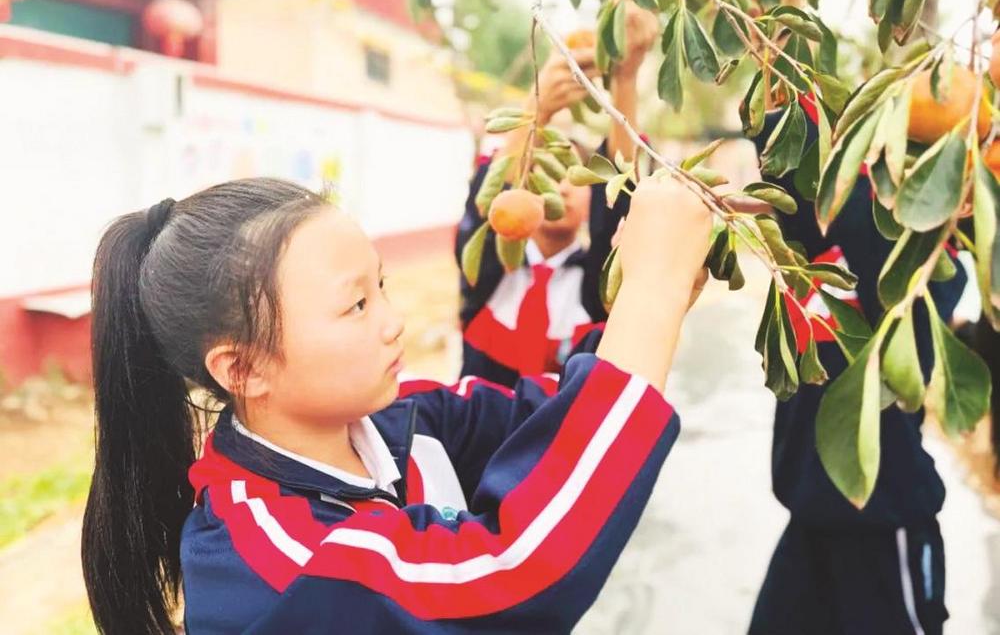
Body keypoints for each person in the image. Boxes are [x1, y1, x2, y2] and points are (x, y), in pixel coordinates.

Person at [80, 174, 711, 634]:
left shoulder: (406, 420)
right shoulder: (272, 557)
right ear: (242, 368)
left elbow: (558, 422)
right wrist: (650, 293)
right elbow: (507, 572)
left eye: (380, 286)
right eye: (355, 305)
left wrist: (654, 303)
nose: (393, 322)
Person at [744, 97, 966, 635]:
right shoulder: (818, 252)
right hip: (811, 518)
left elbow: (814, 181)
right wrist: (781, 64)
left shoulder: (923, 271)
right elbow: (788, 160)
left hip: (884, 527)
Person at [457, 0, 660, 387]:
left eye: (577, 176)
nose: (563, 185)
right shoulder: (489, 268)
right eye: (548, 169)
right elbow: (487, 202)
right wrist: (538, 107)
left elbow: (620, 193)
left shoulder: (593, 281)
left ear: (591, 202)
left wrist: (626, 79)